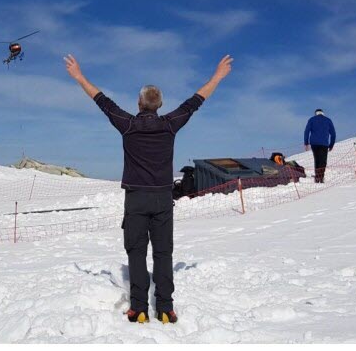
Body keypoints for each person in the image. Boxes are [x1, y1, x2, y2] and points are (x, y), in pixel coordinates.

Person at [65, 53, 232, 324]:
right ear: (160, 105)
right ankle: (166, 308)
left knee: (137, 253)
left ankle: (139, 308)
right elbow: (195, 102)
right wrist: (217, 77)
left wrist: (79, 77)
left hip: (136, 200)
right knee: (164, 254)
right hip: (163, 199)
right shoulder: (170, 125)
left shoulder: (128, 125)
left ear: (139, 103)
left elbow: (102, 102)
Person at [304, 108, 337, 183]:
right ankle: (321, 177)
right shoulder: (328, 120)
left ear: (316, 113)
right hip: (324, 144)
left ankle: (317, 177)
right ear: (323, 113)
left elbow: (306, 131)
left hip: (314, 144)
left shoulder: (311, 119)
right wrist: (331, 145)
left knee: (317, 159)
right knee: (323, 161)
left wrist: (306, 143)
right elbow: (333, 134)